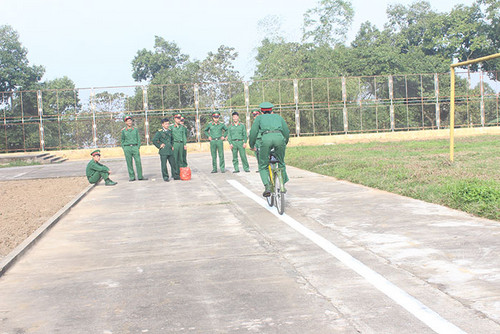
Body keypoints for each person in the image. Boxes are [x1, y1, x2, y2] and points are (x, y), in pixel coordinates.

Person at [249, 102, 290, 197]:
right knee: (281, 162)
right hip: (279, 138)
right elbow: (286, 131)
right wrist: (285, 142)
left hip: (266, 139)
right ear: (272, 110)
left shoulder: (259, 118)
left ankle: (267, 186)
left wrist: (251, 145)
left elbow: (253, 132)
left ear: (261, 111)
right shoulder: (278, 117)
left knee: (263, 165)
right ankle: (282, 184)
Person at [121, 115, 147, 181]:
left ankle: (140, 176)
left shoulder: (135, 130)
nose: (129, 122)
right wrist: (124, 148)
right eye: (127, 121)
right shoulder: (123, 131)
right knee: (129, 163)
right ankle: (132, 177)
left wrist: (138, 147)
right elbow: (122, 140)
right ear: (125, 122)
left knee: (138, 162)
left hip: (135, 147)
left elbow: (138, 139)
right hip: (127, 148)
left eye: (130, 121)